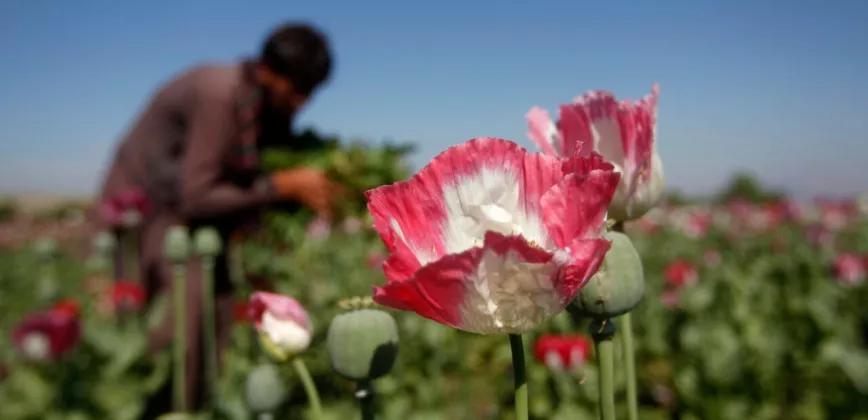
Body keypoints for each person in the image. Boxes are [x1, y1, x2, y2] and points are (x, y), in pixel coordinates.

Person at [98, 23, 338, 406]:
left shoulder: (261, 104)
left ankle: (199, 403)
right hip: (147, 211)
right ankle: (163, 406)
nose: (301, 103)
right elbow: (198, 194)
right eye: (296, 90)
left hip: (193, 215)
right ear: (268, 71)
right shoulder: (219, 93)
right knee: (184, 322)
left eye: (309, 93)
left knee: (220, 316)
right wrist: (282, 186)